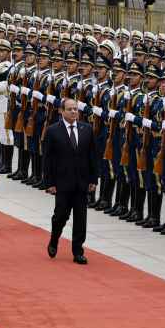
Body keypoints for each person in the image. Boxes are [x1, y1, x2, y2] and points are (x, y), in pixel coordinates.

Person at [45, 97, 99, 264]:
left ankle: (78, 251)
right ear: (61, 111)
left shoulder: (87, 129)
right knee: (60, 215)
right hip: (62, 182)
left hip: (82, 182)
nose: (74, 112)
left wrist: (93, 179)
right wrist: (50, 183)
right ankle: (54, 239)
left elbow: (92, 156)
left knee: (81, 217)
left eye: (76, 109)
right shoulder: (53, 131)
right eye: (70, 109)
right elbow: (47, 159)